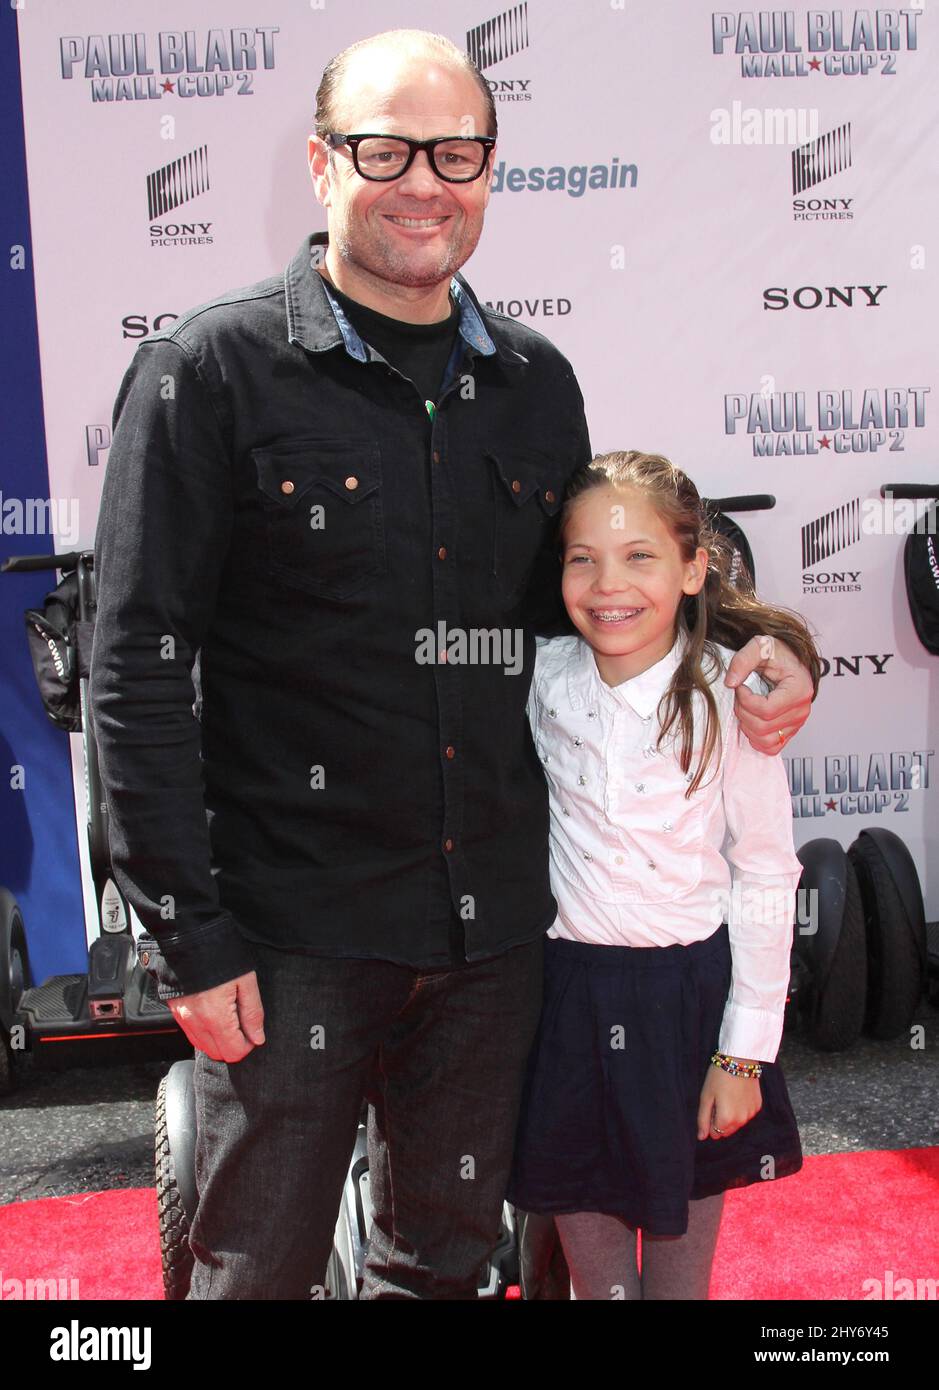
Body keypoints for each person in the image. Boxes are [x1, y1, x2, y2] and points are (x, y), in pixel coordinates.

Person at [89, 29, 819, 1301]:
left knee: (440, 1265)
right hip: (291, 935)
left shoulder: (537, 385)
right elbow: (137, 673)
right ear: (322, 164)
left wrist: (770, 650)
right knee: (251, 1271)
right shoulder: (208, 371)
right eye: (385, 148)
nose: (424, 179)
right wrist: (186, 941)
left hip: (497, 937)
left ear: (489, 171)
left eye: (456, 151)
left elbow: (595, 602)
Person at [506, 450, 821, 1300]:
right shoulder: (538, 679)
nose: (610, 584)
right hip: (567, 999)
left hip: (690, 1005)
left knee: (681, 1279)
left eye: (640, 556)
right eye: (584, 558)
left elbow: (763, 870)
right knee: (594, 1274)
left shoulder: (732, 696)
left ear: (692, 568)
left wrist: (744, 1054)